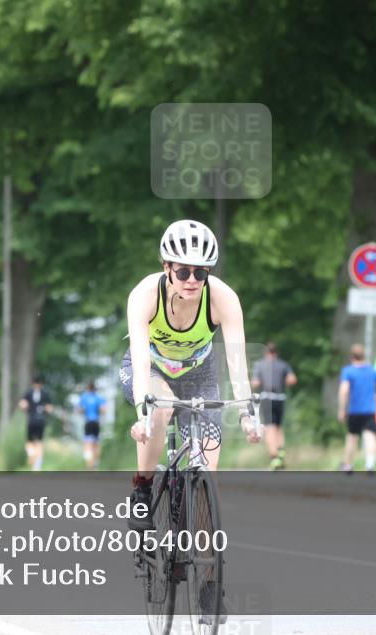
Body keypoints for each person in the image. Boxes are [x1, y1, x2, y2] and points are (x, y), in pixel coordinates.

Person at [120, 219, 259, 623]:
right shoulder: (145, 295)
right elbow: (142, 358)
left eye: (201, 271)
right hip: (151, 370)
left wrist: (248, 411)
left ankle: (209, 586)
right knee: (161, 408)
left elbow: (236, 360)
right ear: (167, 267)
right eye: (183, 271)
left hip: (200, 374)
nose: (192, 279)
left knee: (206, 480)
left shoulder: (223, 298)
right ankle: (143, 489)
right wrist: (144, 412)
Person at [251, 342, 298, 470]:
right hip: (280, 398)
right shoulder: (283, 365)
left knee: (269, 428)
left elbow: (255, 383)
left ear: (266, 353)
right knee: (278, 427)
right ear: (276, 353)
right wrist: (283, 381)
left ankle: (274, 458)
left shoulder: (259, 365)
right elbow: (292, 379)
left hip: (267, 398)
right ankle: (281, 450)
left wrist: (251, 384)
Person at [338, 343, 376, 474]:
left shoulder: (348, 371)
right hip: (370, 409)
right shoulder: (372, 370)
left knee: (352, 437)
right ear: (364, 356)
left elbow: (344, 391)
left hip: (355, 410)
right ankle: (370, 464)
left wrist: (342, 409)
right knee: (370, 436)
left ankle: (348, 465)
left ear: (351, 356)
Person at [19, 376, 53, 471]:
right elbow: (50, 409)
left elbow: (22, 405)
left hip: (31, 420)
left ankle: (32, 454)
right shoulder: (45, 394)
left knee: (29, 442)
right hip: (41, 420)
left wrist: (26, 410)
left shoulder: (28, 393)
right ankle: (37, 464)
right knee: (39, 442)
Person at [77, 381, 106, 469]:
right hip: (96, 422)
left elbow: (79, 410)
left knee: (87, 445)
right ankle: (96, 463)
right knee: (96, 444)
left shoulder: (84, 397)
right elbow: (103, 410)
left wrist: (85, 411)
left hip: (88, 422)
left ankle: (90, 466)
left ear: (88, 388)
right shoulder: (98, 397)